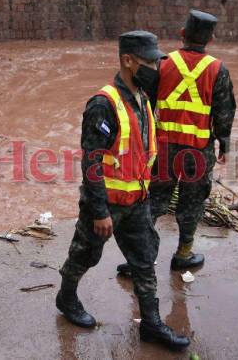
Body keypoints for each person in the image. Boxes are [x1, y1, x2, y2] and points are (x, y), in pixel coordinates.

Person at [57, 31, 190, 350]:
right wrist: (100, 211)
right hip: (106, 204)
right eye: (150, 63)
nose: (156, 69)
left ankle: (152, 324)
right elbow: (91, 163)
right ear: (128, 61)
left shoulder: (144, 98)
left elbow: (142, 152)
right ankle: (67, 296)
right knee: (85, 254)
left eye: (157, 62)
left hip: (138, 201)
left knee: (144, 260)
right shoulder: (104, 104)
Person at [118, 10, 236, 275]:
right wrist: (225, 144)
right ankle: (183, 254)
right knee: (192, 203)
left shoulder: (162, 63)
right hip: (198, 149)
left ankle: (139, 257)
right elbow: (224, 111)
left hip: (164, 147)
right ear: (212, 39)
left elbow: (143, 99)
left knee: (155, 200)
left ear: (182, 34)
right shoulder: (218, 69)